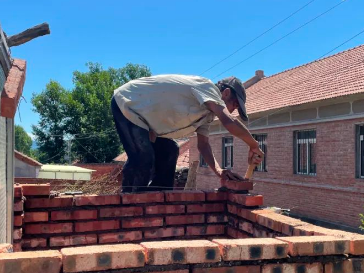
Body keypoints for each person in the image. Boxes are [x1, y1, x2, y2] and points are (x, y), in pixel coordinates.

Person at [112, 74, 264, 192]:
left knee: (170, 150)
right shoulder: (207, 88)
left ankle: (155, 202)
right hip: (127, 103)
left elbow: (203, 145)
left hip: (146, 123)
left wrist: (219, 171)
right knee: (143, 159)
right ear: (225, 93)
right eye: (234, 105)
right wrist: (254, 145)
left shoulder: (207, 115)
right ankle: (129, 204)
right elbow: (229, 121)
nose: (232, 110)